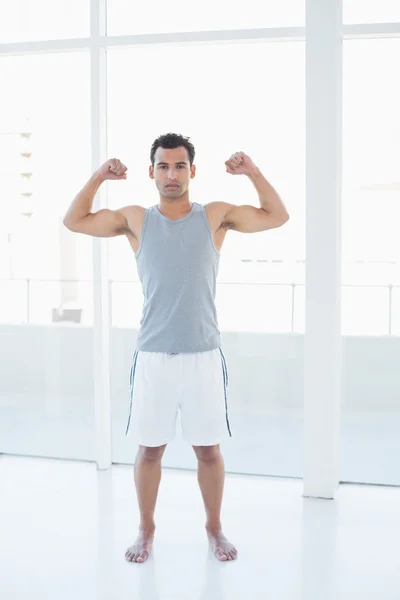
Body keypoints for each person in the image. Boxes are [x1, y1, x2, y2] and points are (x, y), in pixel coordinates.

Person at [63, 132, 289, 564]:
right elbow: (75, 220)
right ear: (151, 172)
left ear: (192, 171)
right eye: (163, 166)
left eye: (179, 166)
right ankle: (145, 531)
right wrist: (98, 176)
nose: (171, 174)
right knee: (149, 449)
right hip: (153, 357)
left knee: (209, 450)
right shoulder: (136, 219)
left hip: (203, 356)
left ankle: (214, 528)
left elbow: (277, 216)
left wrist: (252, 172)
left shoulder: (215, 216)